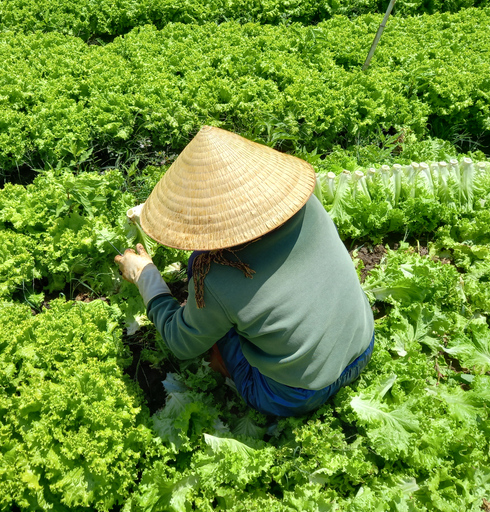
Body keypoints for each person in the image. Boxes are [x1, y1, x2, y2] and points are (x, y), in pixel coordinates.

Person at [115, 125, 374, 417]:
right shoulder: (306, 205)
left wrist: (145, 276)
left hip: (297, 395)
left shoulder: (216, 276)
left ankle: (230, 373)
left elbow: (181, 343)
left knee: (211, 331)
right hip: (363, 346)